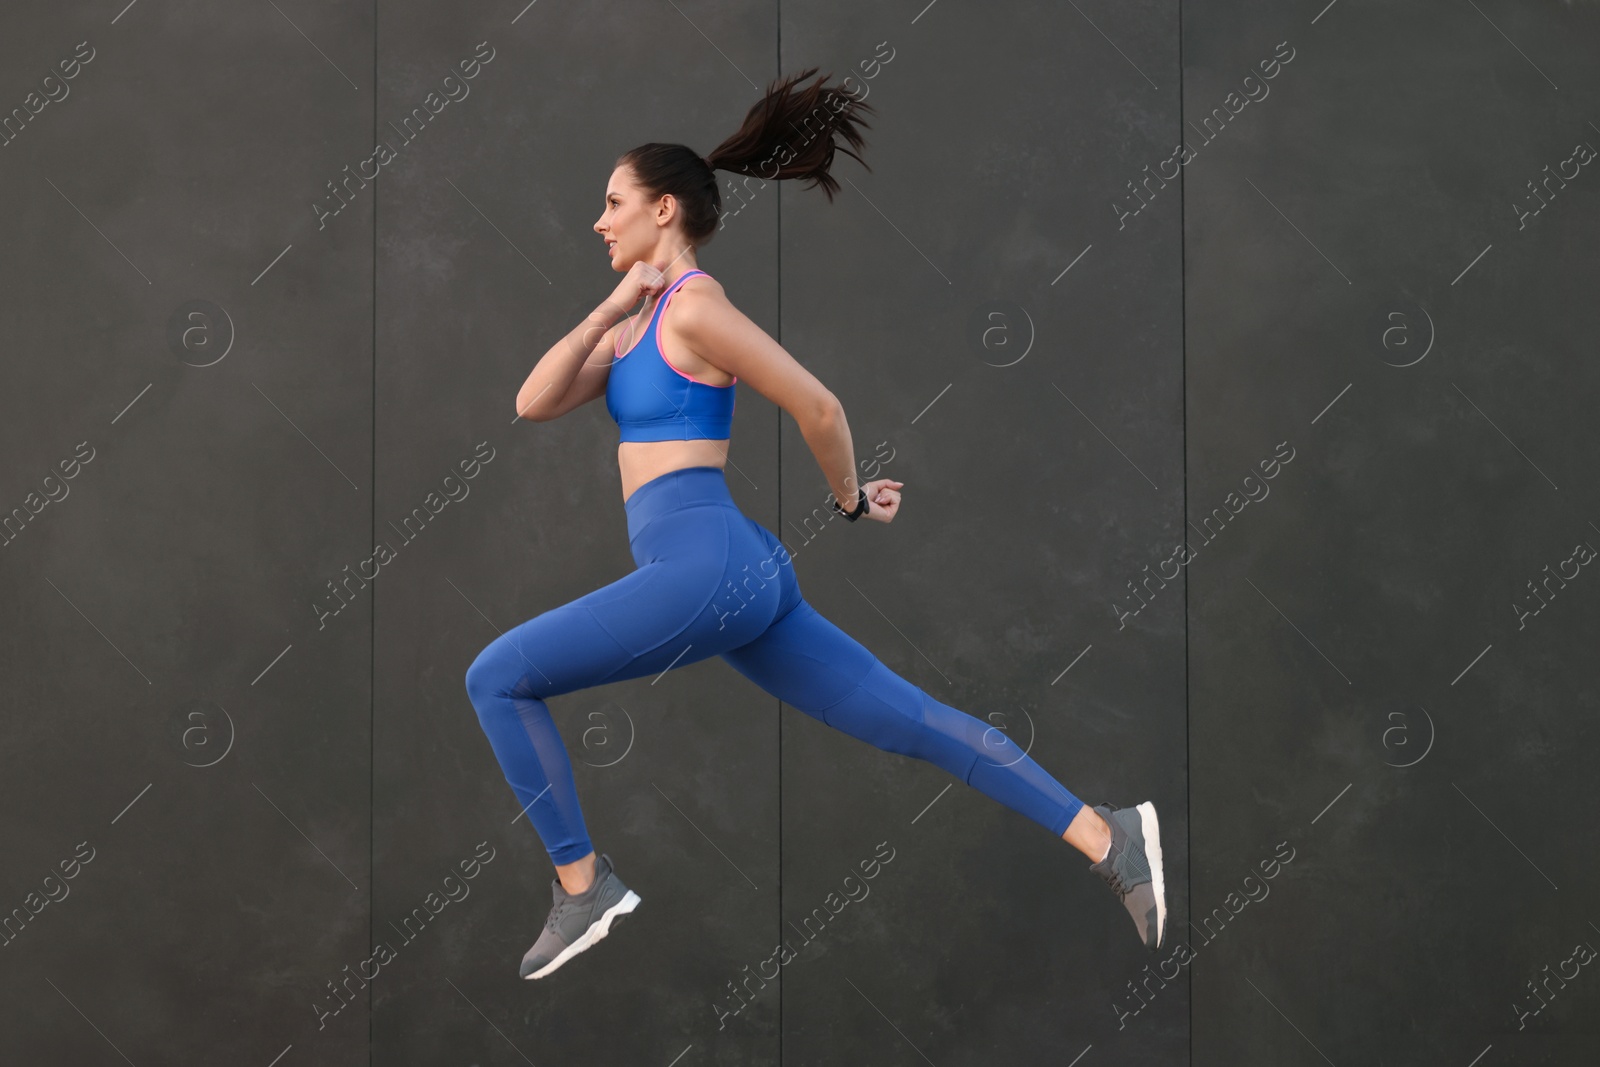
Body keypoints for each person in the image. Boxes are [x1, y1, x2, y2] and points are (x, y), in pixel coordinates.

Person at [464, 68, 1166, 981]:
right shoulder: (632, 325)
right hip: (738, 573)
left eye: (613, 203)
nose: (599, 221)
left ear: (663, 209)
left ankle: (583, 885)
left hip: (707, 566)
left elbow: (820, 405)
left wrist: (846, 497)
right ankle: (1107, 838)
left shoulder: (698, 311)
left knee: (497, 677)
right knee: (907, 721)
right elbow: (531, 401)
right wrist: (610, 304)